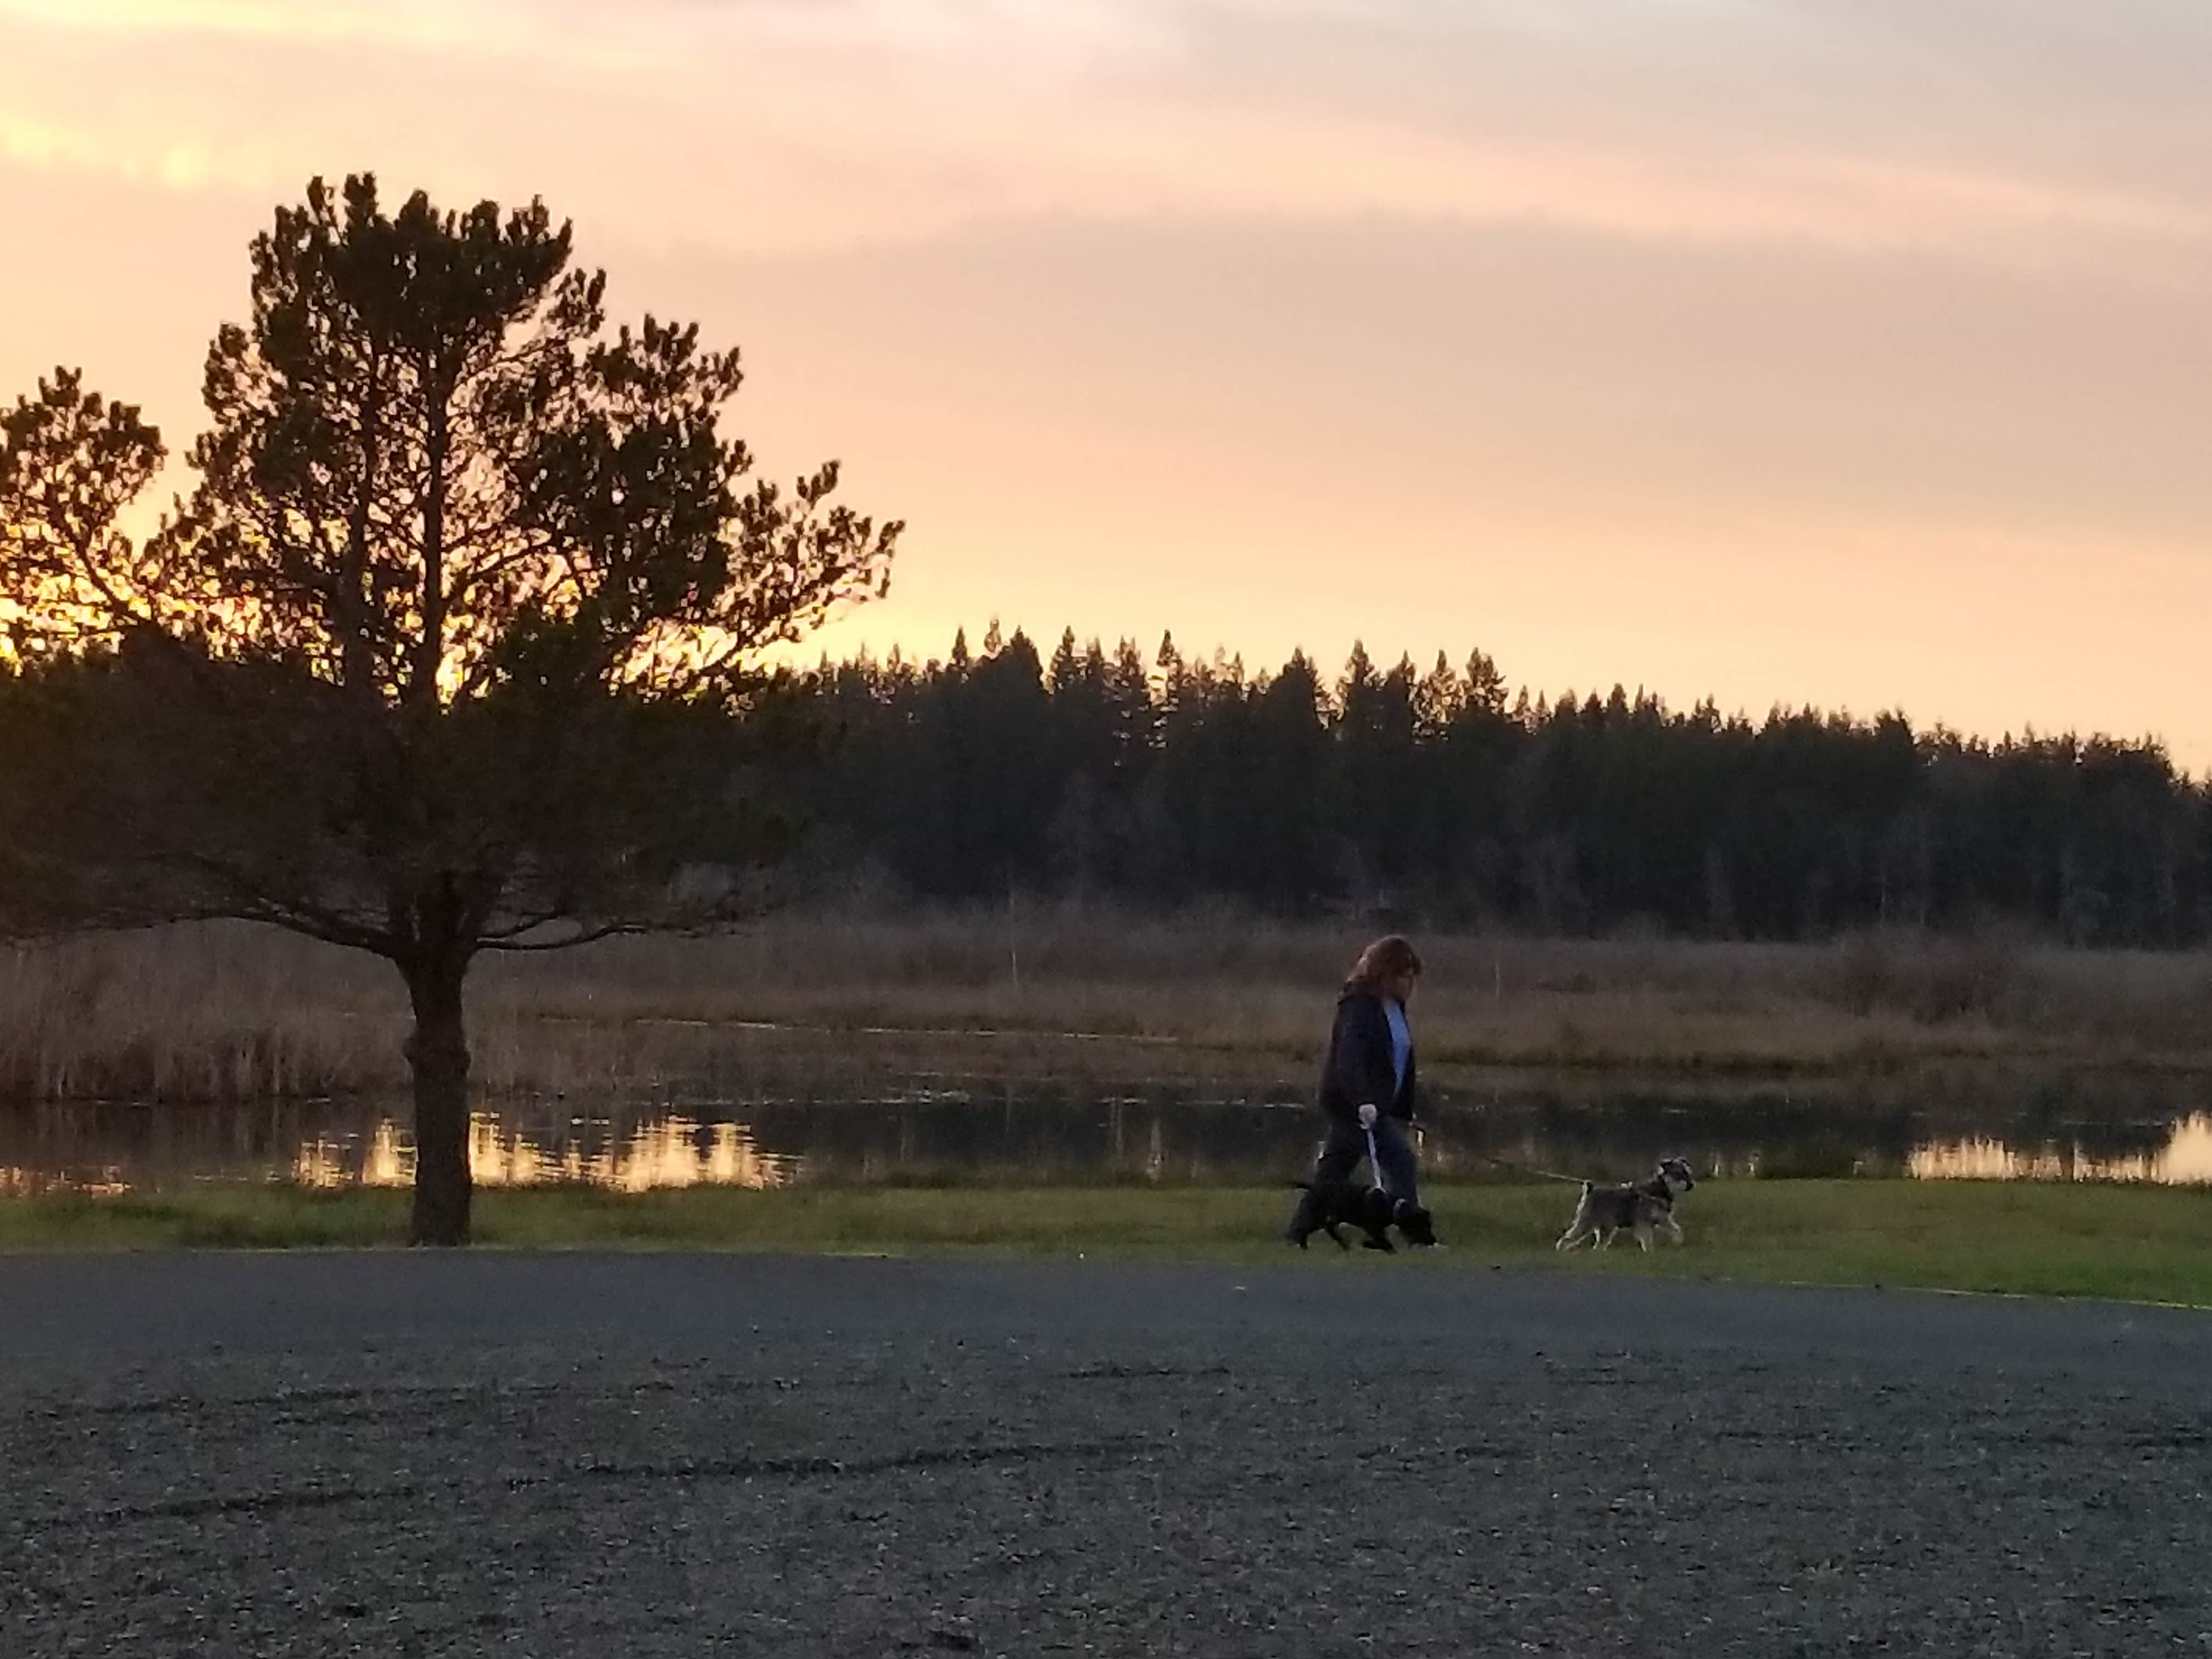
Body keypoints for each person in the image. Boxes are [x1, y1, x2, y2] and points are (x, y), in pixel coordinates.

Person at [1283, 934, 1424, 1243]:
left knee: (1334, 1174)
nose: (1409, 985)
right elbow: (1350, 1059)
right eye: (1403, 977)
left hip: (1379, 1108)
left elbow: (1400, 1061)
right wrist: (1363, 1100)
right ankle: (1415, 1233)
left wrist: (1401, 1108)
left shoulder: (1395, 1010)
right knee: (1399, 1162)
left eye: (1412, 978)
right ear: (1385, 973)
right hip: (1353, 1107)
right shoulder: (1359, 1007)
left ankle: (1296, 1234)